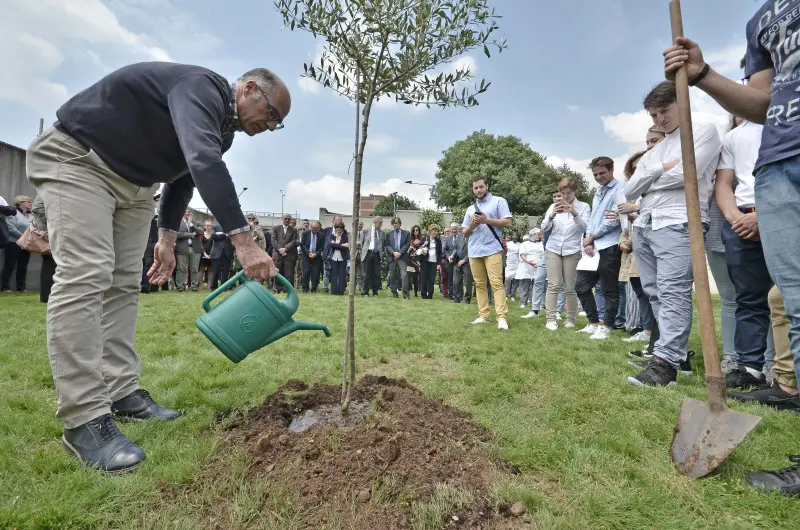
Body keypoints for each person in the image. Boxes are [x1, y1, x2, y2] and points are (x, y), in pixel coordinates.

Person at [26, 62, 285, 473]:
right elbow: (202, 160)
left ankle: (121, 392)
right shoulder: (201, 89)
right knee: (86, 275)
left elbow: (185, 176)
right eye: (272, 113)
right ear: (250, 88)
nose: (272, 126)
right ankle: (83, 419)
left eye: (279, 123)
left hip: (134, 186)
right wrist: (245, 241)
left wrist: (165, 237)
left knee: (124, 285)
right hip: (80, 159)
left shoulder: (223, 129)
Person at [663, 0, 800, 496]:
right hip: (781, 163)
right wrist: (701, 74)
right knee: (796, 308)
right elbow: (762, 103)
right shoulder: (763, 19)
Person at [624, 80, 721, 387]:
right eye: (653, 116)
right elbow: (629, 188)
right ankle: (674, 355)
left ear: (683, 102)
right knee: (654, 292)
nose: (659, 120)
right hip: (646, 224)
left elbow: (688, 171)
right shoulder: (658, 148)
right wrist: (656, 171)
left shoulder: (702, 129)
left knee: (672, 291)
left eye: (664, 111)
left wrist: (649, 178)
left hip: (679, 221)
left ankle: (665, 366)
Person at [714, 115, 774, 388]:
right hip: (740, 221)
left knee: (789, 297)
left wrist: (765, 216)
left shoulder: (787, 119)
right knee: (749, 299)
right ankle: (750, 368)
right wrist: (736, 218)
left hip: (782, 214)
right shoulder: (733, 136)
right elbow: (724, 183)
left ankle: (786, 372)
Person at [575, 156, 627, 340]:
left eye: (602, 173)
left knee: (609, 289)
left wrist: (592, 237)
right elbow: (593, 219)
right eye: (595, 174)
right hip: (594, 247)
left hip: (610, 245)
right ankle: (593, 323)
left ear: (612, 170)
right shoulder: (598, 192)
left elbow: (612, 220)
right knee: (581, 286)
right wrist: (588, 240)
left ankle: (606, 327)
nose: (598, 177)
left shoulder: (620, 189)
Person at [462, 177, 513, 330]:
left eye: (481, 187)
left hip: (492, 249)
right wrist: (471, 225)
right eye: (476, 188)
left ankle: (501, 317)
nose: (479, 190)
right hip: (474, 250)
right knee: (479, 284)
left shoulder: (499, 201)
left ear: (487, 186)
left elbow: (508, 222)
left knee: (497, 283)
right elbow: (464, 232)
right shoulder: (470, 208)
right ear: (473, 189)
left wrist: (486, 220)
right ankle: (483, 315)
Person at [541, 178, 591, 331]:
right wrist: (551, 216)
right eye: (562, 193)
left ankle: (570, 318)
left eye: (568, 193)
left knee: (570, 287)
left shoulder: (584, 207)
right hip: (553, 248)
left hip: (572, 249)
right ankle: (550, 319)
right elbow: (544, 227)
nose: (565, 197)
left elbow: (586, 228)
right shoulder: (553, 206)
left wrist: (574, 213)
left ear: (575, 191)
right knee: (553, 284)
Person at [1, 195, 33, 292]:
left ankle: (21, 287)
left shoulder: (30, 215)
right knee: (10, 265)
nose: (31, 203)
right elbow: (10, 227)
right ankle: (5, 287)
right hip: (13, 243)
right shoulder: (13, 213)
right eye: (28, 201)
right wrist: (23, 237)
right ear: (20, 203)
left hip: (26, 244)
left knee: (23, 266)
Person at [175, 209, 202, 292]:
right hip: (182, 248)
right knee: (181, 268)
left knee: (194, 268)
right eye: (186, 211)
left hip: (195, 248)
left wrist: (191, 224)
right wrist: (190, 235)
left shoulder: (196, 223)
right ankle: (180, 287)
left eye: (189, 212)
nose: (187, 213)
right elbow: (177, 234)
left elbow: (201, 231)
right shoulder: (178, 222)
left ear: (191, 214)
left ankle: (194, 287)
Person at [271, 213, 299, 292]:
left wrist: (285, 248)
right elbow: (273, 240)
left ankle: (287, 289)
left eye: (288, 219)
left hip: (289, 255)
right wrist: (280, 249)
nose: (287, 220)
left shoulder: (294, 230)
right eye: (285, 218)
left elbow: (294, 241)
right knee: (277, 273)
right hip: (277, 254)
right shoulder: (276, 228)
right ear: (282, 219)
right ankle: (277, 289)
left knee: (289, 273)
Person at [517, 230, 542, 314]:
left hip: (537, 266)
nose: (539, 236)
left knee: (537, 286)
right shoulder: (525, 244)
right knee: (525, 285)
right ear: (534, 234)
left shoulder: (540, 244)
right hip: (526, 266)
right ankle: (523, 302)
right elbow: (522, 255)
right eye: (538, 234)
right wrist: (529, 262)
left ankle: (536, 303)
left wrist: (538, 264)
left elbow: (542, 255)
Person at [385, 217, 410, 299]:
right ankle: (394, 293)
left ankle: (405, 294)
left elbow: (407, 244)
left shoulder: (406, 233)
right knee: (392, 275)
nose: (395, 224)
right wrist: (393, 253)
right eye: (394, 223)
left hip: (402, 257)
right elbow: (387, 245)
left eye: (396, 223)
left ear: (400, 223)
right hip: (392, 258)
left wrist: (399, 253)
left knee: (404, 275)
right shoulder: (389, 234)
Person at [419, 224, 443, 299]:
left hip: (434, 262)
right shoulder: (424, 239)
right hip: (425, 262)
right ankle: (423, 295)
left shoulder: (438, 241)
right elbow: (419, 249)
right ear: (430, 231)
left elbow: (439, 253)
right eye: (434, 231)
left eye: (436, 231)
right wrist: (424, 244)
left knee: (431, 279)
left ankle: (430, 295)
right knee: (424, 278)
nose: (435, 232)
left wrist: (439, 264)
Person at [301, 221, 325, 293]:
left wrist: (316, 254)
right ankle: (305, 288)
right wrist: (309, 253)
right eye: (313, 229)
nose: (314, 231)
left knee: (315, 273)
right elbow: (302, 245)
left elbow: (322, 247)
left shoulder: (321, 235)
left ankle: (314, 288)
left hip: (316, 257)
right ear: (310, 227)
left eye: (316, 230)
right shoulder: (305, 233)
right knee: (306, 271)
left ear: (318, 228)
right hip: (306, 256)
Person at [328, 220, 349, 295]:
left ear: (343, 229)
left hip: (342, 258)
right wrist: (342, 245)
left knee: (342, 275)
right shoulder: (331, 236)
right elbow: (331, 245)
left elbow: (346, 248)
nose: (339, 229)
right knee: (333, 274)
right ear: (335, 228)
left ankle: (340, 291)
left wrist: (336, 245)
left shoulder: (345, 236)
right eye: (337, 228)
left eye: (340, 228)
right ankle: (333, 291)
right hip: (333, 258)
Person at [197, 220, 214, 289]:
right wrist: (205, 254)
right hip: (202, 254)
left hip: (211, 255)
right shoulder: (201, 234)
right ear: (204, 226)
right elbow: (200, 245)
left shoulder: (213, 235)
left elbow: (214, 245)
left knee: (210, 270)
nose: (209, 227)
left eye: (210, 225)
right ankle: (200, 285)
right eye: (207, 225)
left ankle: (209, 286)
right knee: (201, 270)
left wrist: (211, 254)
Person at [406, 224, 422, 297]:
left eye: (417, 230)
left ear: (419, 231)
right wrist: (411, 247)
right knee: (408, 277)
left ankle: (416, 293)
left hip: (418, 260)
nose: (415, 231)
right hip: (410, 260)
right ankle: (407, 292)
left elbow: (423, 249)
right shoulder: (410, 240)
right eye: (414, 230)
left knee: (416, 278)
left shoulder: (422, 239)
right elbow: (407, 250)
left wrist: (419, 245)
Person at [504, 234, 521, 303]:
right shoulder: (508, 244)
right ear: (512, 237)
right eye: (514, 235)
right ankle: (506, 295)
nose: (515, 237)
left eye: (516, 236)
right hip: (509, 263)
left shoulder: (520, 245)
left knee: (515, 280)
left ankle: (513, 295)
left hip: (516, 263)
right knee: (507, 279)